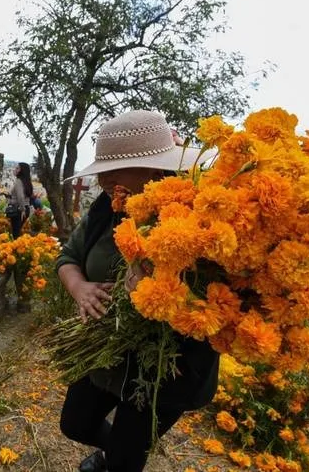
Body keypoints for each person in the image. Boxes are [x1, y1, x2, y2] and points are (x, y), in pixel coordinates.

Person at [56, 110, 219, 472]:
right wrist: (79, 287)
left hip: (166, 366)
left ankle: (118, 461)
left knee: (126, 457)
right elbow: (68, 256)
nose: (103, 179)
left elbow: (215, 301)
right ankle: (116, 455)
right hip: (106, 350)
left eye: (114, 169)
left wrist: (157, 283)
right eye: (102, 169)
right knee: (75, 424)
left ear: (154, 168)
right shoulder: (106, 207)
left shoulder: (202, 215)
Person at [8, 162, 33, 238]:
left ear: (22, 171)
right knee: (17, 231)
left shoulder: (18, 181)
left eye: (17, 168)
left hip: (18, 209)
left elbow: (20, 196)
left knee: (15, 233)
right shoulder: (27, 182)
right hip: (26, 208)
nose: (15, 169)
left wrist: (22, 209)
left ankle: (16, 248)